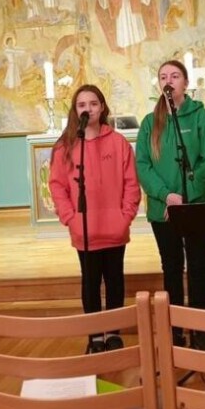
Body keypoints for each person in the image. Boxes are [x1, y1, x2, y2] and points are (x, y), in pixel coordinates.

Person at [135, 60, 205, 351]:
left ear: (185, 82)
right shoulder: (150, 122)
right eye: (163, 77)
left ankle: (201, 327)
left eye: (174, 76)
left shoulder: (201, 117)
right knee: (171, 266)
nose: (168, 81)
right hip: (164, 209)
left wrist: (192, 191)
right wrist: (166, 194)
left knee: (199, 264)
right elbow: (143, 165)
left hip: (196, 206)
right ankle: (172, 326)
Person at [48, 85, 141, 354]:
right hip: (84, 229)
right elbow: (57, 186)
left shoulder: (118, 143)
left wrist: (125, 217)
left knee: (114, 281)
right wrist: (70, 218)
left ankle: (113, 331)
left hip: (114, 228)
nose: (87, 109)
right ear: (75, 111)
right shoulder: (66, 146)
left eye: (93, 103)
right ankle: (95, 334)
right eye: (81, 105)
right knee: (90, 283)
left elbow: (131, 184)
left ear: (102, 108)